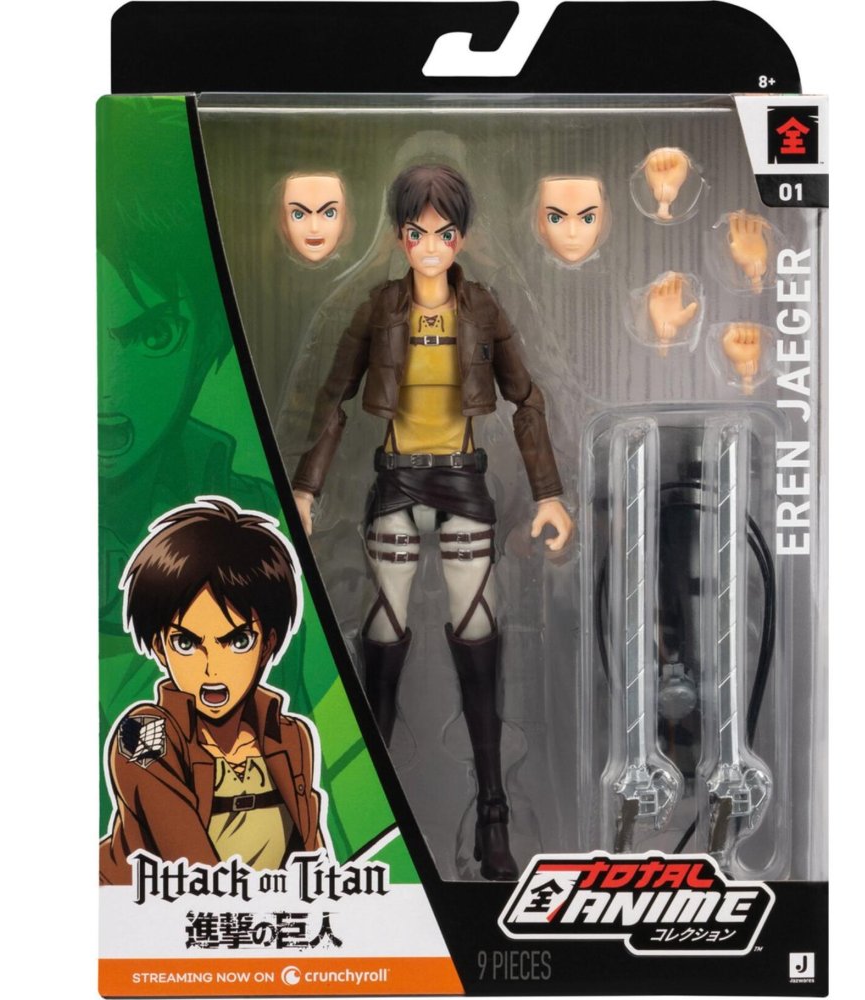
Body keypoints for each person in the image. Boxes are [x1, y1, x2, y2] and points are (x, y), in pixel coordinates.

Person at [290, 164, 572, 880]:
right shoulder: (376, 310)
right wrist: (306, 488)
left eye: (444, 233)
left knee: (477, 629)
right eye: (417, 233)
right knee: (383, 630)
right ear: (399, 237)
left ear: (462, 237)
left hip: (463, 480)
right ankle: (362, 810)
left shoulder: (484, 310)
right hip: (395, 479)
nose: (430, 246)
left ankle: (494, 812)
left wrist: (548, 494)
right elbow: (332, 399)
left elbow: (527, 400)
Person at [100, 497, 326, 885]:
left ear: (268, 644)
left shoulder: (291, 736)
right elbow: (194, 873)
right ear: (159, 647)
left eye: (237, 641)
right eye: (186, 643)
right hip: (145, 916)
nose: (212, 669)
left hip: (254, 916)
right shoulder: (143, 735)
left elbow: (312, 856)